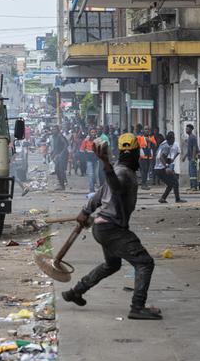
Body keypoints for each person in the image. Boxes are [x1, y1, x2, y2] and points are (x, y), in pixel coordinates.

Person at [61, 133, 161, 320]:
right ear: (136, 153)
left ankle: (76, 291)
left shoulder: (118, 169)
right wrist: (105, 164)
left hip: (102, 227)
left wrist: (85, 211)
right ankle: (137, 306)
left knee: (112, 264)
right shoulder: (122, 173)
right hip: (112, 228)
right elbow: (115, 186)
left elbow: (98, 195)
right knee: (145, 262)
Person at [154, 131, 185, 204]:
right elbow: (161, 157)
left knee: (171, 183)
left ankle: (163, 198)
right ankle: (177, 199)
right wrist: (167, 166)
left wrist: (169, 160)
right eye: (173, 139)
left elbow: (159, 155)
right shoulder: (167, 146)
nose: (174, 141)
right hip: (161, 169)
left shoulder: (163, 144)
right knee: (175, 182)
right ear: (171, 139)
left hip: (157, 168)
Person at [50, 126, 69, 190]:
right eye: (52, 129)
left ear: (58, 130)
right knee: (57, 170)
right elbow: (56, 147)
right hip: (58, 155)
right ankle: (61, 184)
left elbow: (66, 144)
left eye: (54, 129)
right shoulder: (54, 137)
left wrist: (61, 154)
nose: (53, 131)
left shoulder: (60, 136)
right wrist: (52, 153)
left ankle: (62, 185)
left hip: (63, 155)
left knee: (60, 170)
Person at [81, 129, 98, 193]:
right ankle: (91, 189)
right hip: (89, 159)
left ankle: (93, 186)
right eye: (92, 132)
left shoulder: (98, 140)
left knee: (95, 174)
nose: (93, 133)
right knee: (91, 174)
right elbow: (82, 149)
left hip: (96, 159)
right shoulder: (86, 140)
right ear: (90, 133)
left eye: (94, 132)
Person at [184, 124, 199, 190]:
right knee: (190, 172)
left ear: (191, 129)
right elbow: (189, 149)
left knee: (193, 173)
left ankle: (194, 186)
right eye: (186, 129)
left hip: (192, 158)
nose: (186, 130)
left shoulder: (193, 137)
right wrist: (185, 156)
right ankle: (191, 186)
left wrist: (193, 157)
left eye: (187, 129)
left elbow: (194, 148)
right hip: (190, 158)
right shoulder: (189, 137)